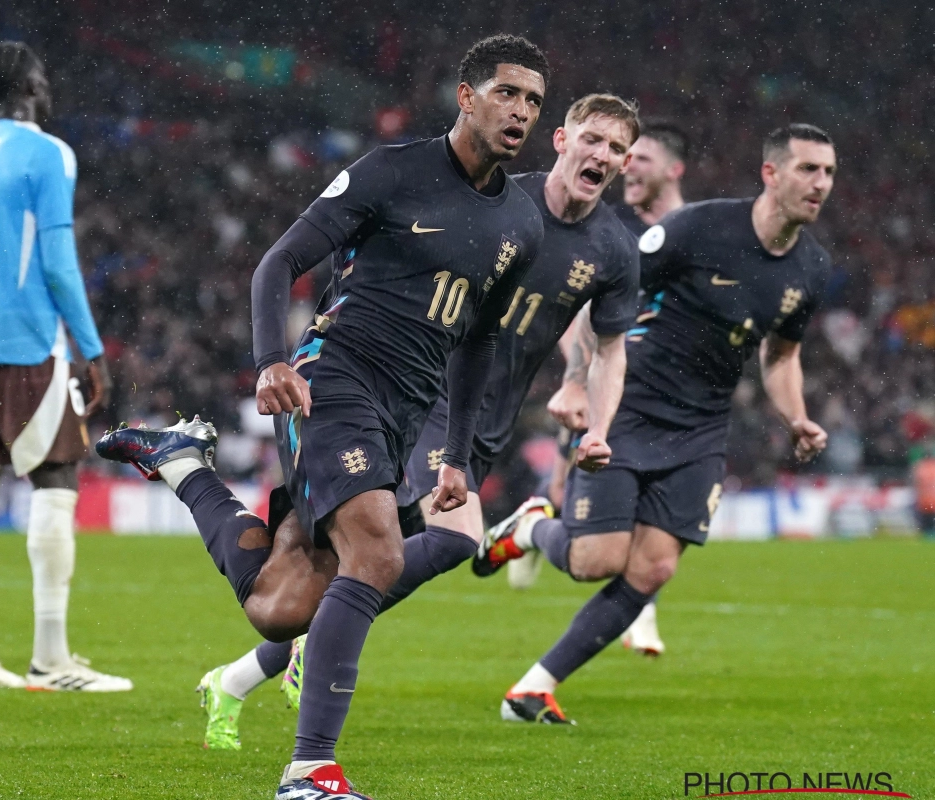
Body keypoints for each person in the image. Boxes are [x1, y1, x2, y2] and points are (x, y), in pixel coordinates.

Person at [98, 34, 549, 798]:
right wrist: (272, 360)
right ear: (467, 96)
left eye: (535, 100)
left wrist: (457, 455)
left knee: (281, 609)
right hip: (330, 382)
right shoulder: (391, 171)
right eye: (508, 93)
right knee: (377, 556)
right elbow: (277, 263)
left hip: (403, 415)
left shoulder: (523, 226)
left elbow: (476, 347)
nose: (522, 111)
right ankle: (309, 771)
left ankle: (182, 466)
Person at [187, 93, 642, 752]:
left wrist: (593, 417)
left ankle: (246, 669)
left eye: (616, 148)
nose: (601, 156)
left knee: (320, 581)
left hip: (489, 416)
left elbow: (605, 347)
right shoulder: (498, 200)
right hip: (424, 392)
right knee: (442, 542)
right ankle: (311, 757)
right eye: (592, 140)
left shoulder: (613, 250)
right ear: (563, 139)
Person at [475, 124, 836, 724]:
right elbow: (602, 295)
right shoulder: (697, 229)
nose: (820, 183)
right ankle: (535, 527)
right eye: (807, 169)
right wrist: (575, 377)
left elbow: (781, 356)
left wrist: (796, 417)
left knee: (654, 567)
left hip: (700, 431)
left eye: (827, 172)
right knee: (595, 561)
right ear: (771, 174)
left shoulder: (813, 269)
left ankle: (533, 689)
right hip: (630, 410)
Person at [0, 41, 126, 692]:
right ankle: (51, 658)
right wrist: (91, 346)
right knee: (56, 475)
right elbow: (56, 257)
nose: (48, 87)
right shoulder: (47, 152)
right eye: (42, 76)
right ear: (25, 84)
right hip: (23, 341)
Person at [541, 120, 691, 654]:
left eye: (637, 159)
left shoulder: (694, 234)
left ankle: (642, 615)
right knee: (571, 506)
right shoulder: (612, 230)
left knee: (651, 526)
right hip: (611, 388)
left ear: (672, 170)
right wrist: (576, 379)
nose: (624, 168)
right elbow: (574, 311)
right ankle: (533, 524)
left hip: (669, 400)